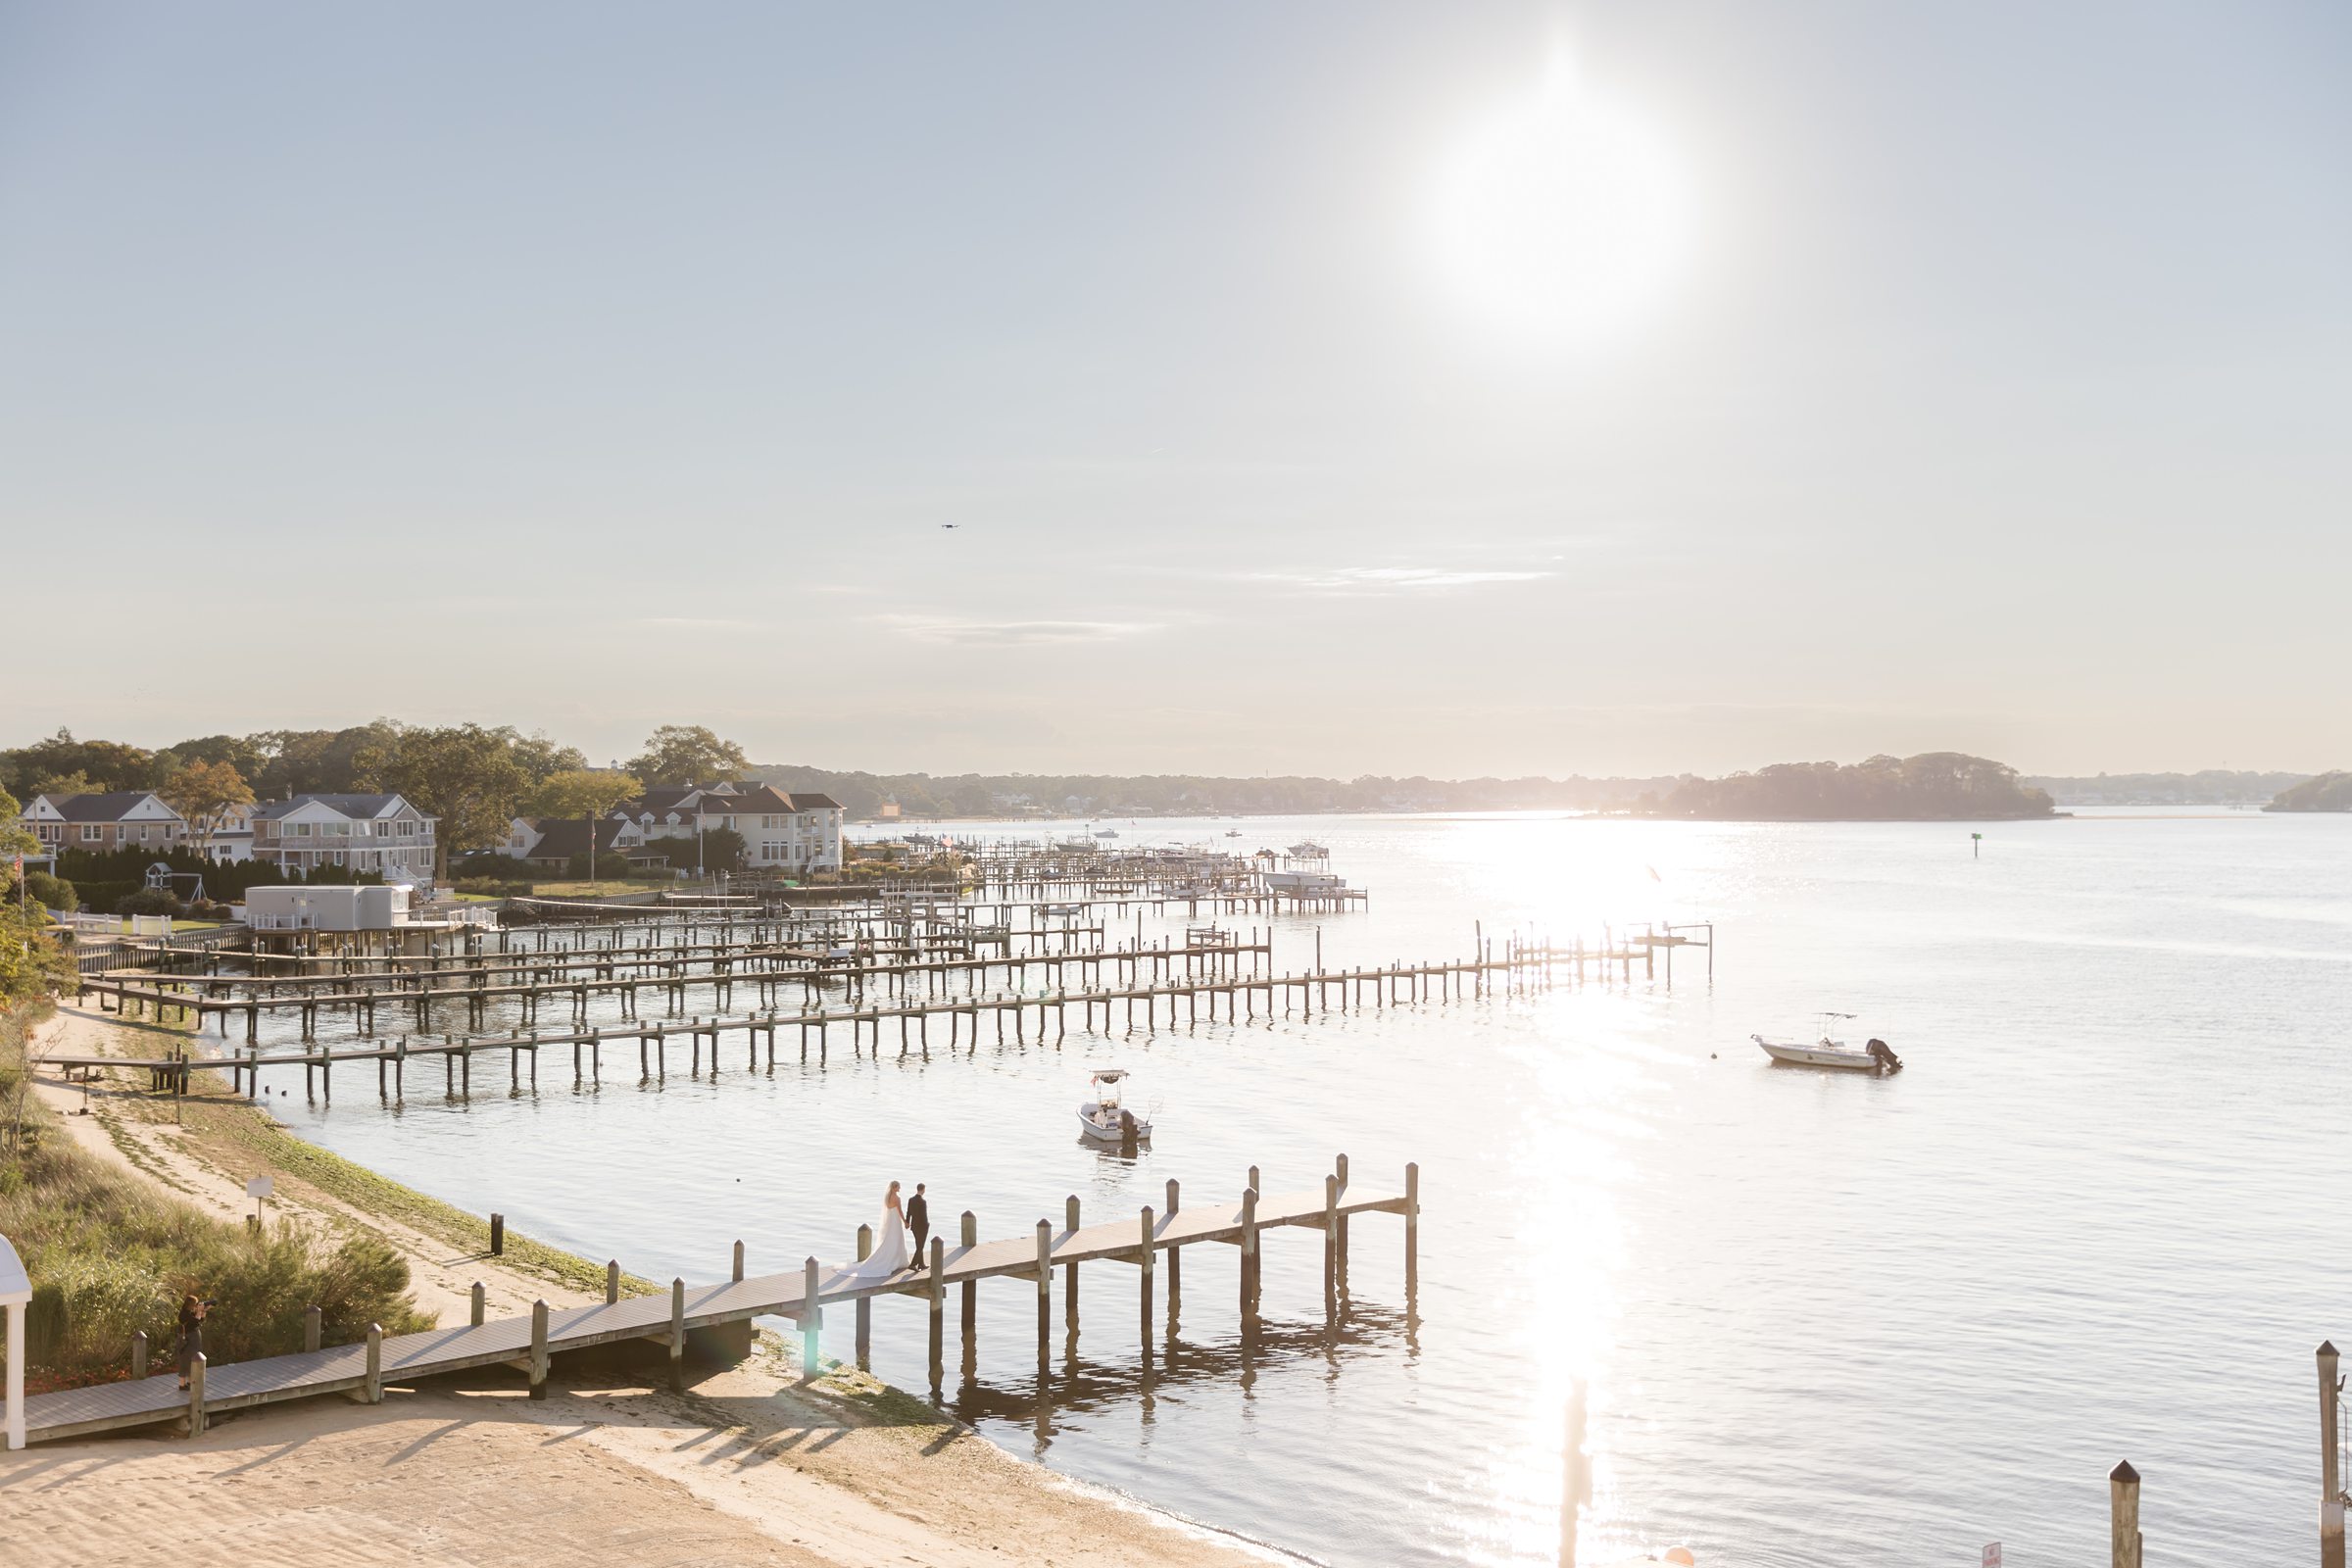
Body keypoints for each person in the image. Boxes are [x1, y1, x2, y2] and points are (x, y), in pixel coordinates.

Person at [846, 1181, 910, 1278]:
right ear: (894, 1188)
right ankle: (897, 1261)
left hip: (890, 1221)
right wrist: (905, 1221)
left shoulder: (887, 1197)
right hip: (896, 1220)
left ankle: (892, 1259)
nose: (899, 1189)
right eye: (898, 1187)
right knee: (897, 1238)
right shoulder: (897, 1198)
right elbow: (900, 1211)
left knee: (890, 1238)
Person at [175, 1294, 207, 1390]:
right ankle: (182, 1384)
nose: (197, 1305)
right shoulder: (183, 1314)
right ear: (191, 1304)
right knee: (185, 1360)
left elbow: (200, 1320)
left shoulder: (190, 1312)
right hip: (187, 1340)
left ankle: (189, 1382)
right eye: (196, 1304)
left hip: (193, 1339)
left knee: (193, 1359)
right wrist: (199, 1312)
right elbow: (194, 1322)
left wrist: (203, 1311)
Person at [906, 1183, 930, 1270]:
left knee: (919, 1245)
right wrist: (927, 1224)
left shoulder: (911, 1200)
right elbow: (924, 1216)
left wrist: (907, 1222)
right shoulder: (923, 1202)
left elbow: (908, 1212)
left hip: (914, 1227)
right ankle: (913, 1264)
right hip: (922, 1227)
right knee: (920, 1246)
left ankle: (921, 1264)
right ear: (923, 1190)